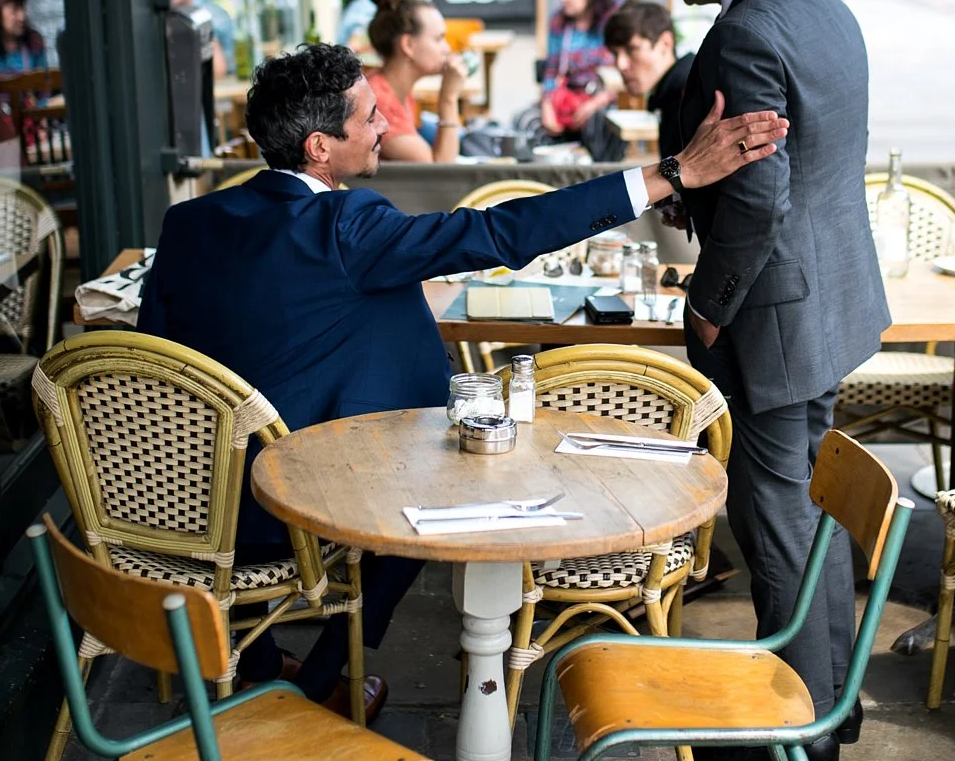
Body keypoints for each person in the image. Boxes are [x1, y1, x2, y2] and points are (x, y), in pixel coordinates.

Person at [136, 42, 788, 720]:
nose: (386, 124)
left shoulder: (188, 224)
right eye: (370, 115)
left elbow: (163, 361)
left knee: (413, 385)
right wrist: (670, 173)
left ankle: (259, 660)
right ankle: (318, 679)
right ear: (320, 147)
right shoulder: (345, 223)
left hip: (195, 499)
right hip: (310, 503)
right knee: (441, 474)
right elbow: (502, 233)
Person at [654, 0, 889, 761]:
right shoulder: (821, 5)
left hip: (774, 315)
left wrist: (707, 301)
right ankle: (834, 698)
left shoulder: (743, 34)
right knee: (813, 507)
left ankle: (798, 732)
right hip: (829, 299)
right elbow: (802, 167)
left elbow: (757, 199)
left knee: (775, 516)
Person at [364, 0, 463, 162]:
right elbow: (443, 173)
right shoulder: (380, 103)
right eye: (438, 39)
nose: (446, 48)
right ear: (408, 45)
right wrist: (448, 98)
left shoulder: (393, 88)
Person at [538, 0, 619, 158]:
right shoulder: (559, 23)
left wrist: (593, 104)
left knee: (600, 125)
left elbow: (621, 77)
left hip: (601, 99)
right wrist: (547, 106)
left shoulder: (612, 22)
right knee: (529, 124)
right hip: (566, 98)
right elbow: (551, 72)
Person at [602, 0, 692, 160]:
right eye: (615, 54)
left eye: (631, 50)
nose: (620, 64)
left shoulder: (689, 92)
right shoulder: (675, 90)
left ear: (665, 43)